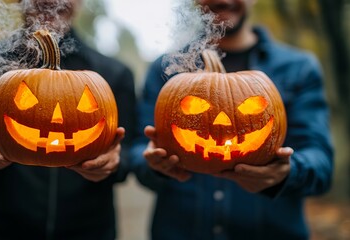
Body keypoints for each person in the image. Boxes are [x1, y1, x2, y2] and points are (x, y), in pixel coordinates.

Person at [130, 0, 334, 239]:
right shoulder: (166, 69)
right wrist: (154, 166)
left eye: (252, 109)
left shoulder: (299, 68)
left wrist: (286, 174)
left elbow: (321, 163)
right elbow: (136, 151)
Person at [0, 0, 137, 239]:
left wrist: (114, 162)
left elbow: (129, 150)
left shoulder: (114, 74)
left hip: (90, 231)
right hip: (6, 230)